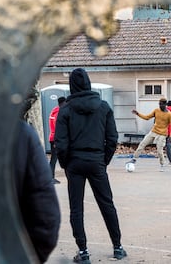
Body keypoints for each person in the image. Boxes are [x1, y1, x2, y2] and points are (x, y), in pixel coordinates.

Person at [55, 68, 127, 262]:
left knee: (76, 208)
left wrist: (65, 164)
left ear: (72, 86)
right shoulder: (103, 107)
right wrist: (104, 161)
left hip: (75, 162)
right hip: (96, 160)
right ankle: (118, 246)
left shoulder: (66, 110)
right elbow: (112, 138)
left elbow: (61, 143)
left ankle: (83, 251)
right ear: (88, 83)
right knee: (107, 204)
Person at [13, 91, 61, 263]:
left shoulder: (55, 112)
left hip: (53, 139)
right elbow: (46, 219)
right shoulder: (19, 134)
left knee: (53, 161)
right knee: (53, 161)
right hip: (4, 251)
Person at [128, 98, 171, 172]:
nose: (160, 106)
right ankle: (134, 159)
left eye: (162, 104)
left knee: (159, 150)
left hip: (162, 134)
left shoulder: (169, 115)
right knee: (142, 144)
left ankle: (162, 164)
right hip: (153, 131)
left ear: (165, 105)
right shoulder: (156, 111)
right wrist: (138, 114)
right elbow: (147, 117)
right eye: (159, 104)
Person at [48, 96, 66, 184]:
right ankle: (50, 177)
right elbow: (57, 126)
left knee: (54, 158)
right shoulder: (58, 112)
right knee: (54, 158)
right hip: (56, 138)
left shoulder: (54, 110)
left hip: (53, 137)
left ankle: (50, 177)